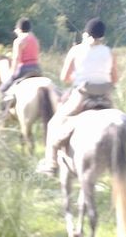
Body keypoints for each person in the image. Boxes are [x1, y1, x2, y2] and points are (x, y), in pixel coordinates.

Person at [38, 18, 118, 175]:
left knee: (54, 124)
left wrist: (79, 77)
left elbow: (64, 77)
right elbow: (115, 79)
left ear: (86, 33)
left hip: (83, 95)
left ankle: (51, 163)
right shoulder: (109, 52)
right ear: (102, 35)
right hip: (106, 95)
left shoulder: (76, 50)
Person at [0, 17, 42, 99]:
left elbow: (16, 58)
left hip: (24, 69)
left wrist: (12, 72)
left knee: (2, 89)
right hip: (37, 68)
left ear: (19, 28)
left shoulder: (19, 41)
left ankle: (4, 110)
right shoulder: (35, 40)